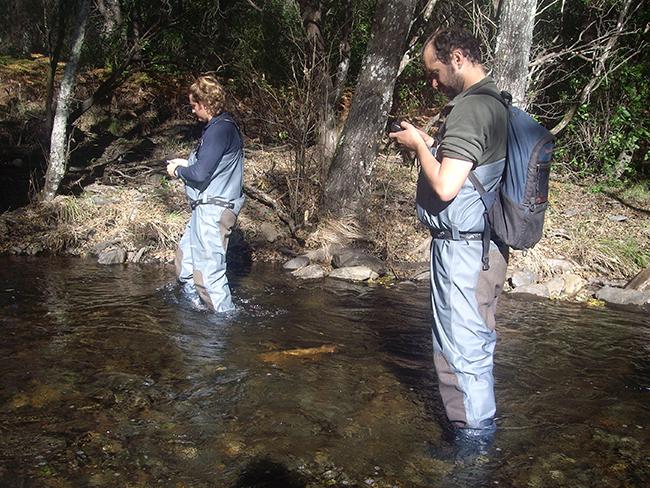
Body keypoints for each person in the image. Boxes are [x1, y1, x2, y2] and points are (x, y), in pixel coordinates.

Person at [389, 28, 508, 458]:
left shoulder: (472, 110)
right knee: (474, 349)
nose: (433, 83)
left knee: (460, 354)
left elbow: (445, 186)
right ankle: (477, 438)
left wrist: (420, 144)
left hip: (462, 252)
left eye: (435, 72)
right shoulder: (495, 104)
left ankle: (473, 454)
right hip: (481, 248)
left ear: (457, 57)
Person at [166, 75, 245, 313]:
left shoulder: (220, 130)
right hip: (205, 209)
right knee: (186, 265)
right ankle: (196, 312)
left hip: (214, 211)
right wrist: (187, 162)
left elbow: (200, 175)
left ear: (205, 103)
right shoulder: (218, 127)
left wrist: (178, 170)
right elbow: (208, 165)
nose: (192, 111)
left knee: (209, 275)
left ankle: (222, 325)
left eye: (193, 105)